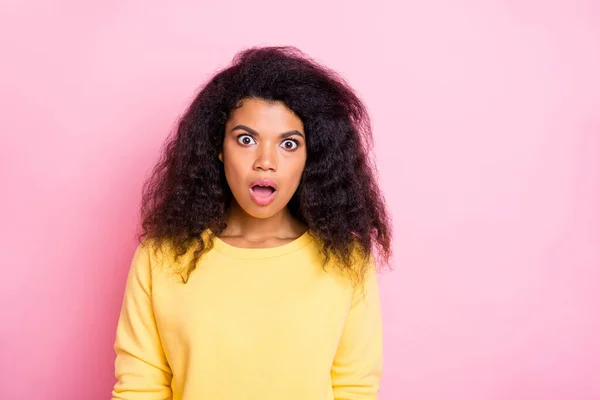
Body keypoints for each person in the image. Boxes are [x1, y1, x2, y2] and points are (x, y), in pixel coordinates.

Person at [111, 46, 393, 400]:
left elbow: (355, 389)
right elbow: (140, 388)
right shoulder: (162, 255)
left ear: (311, 157)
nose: (266, 161)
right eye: (246, 140)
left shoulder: (346, 259)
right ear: (218, 147)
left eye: (289, 144)